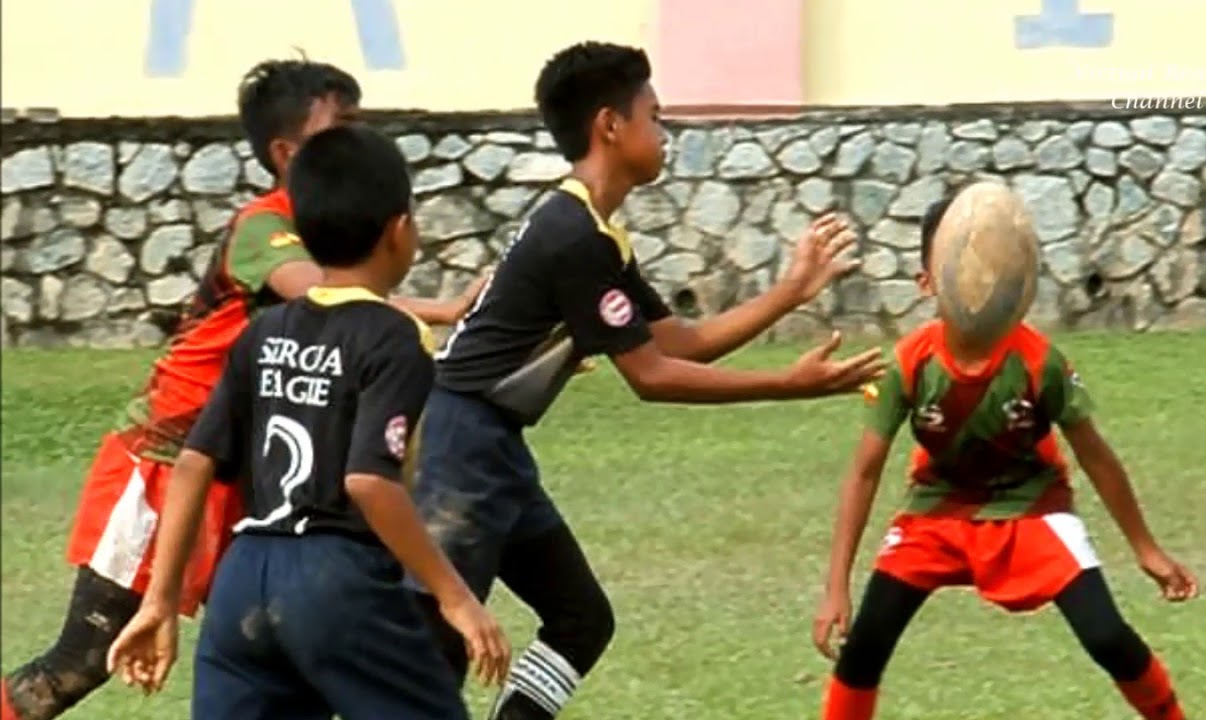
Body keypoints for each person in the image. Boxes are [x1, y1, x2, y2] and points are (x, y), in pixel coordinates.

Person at [412, 41, 887, 720]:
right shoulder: (573, 235)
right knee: (435, 653)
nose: (664, 133)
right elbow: (654, 377)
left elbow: (678, 342)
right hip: (459, 448)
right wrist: (788, 383)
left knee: (581, 619)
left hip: (492, 445)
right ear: (611, 126)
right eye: (654, 116)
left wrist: (791, 291)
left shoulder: (596, 234)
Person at [0, 59, 484, 720]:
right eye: (339, 125)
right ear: (286, 152)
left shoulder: (339, 257)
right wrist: (444, 308)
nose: (356, 139)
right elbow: (324, 292)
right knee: (80, 662)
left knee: (300, 642)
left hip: (243, 474)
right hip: (165, 469)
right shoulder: (264, 226)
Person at [105, 124, 510, 720]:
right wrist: (457, 599)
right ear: (400, 232)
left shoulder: (265, 330)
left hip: (242, 581)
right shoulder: (397, 336)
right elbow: (369, 483)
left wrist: (160, 602)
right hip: (337, 581)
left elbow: (194, 462)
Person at [811, 195, 1198, 720]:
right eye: (963, 268)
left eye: (992, 269)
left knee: (1108, 636)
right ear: (928, 282)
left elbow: (1097, 457)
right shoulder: (911, 362)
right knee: (863, 650)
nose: (980, 282)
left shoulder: (1040, 362)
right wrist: (836, 587)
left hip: (1032, 508)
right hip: (936, 510)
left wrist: (1145, 548)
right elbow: (864, 471)